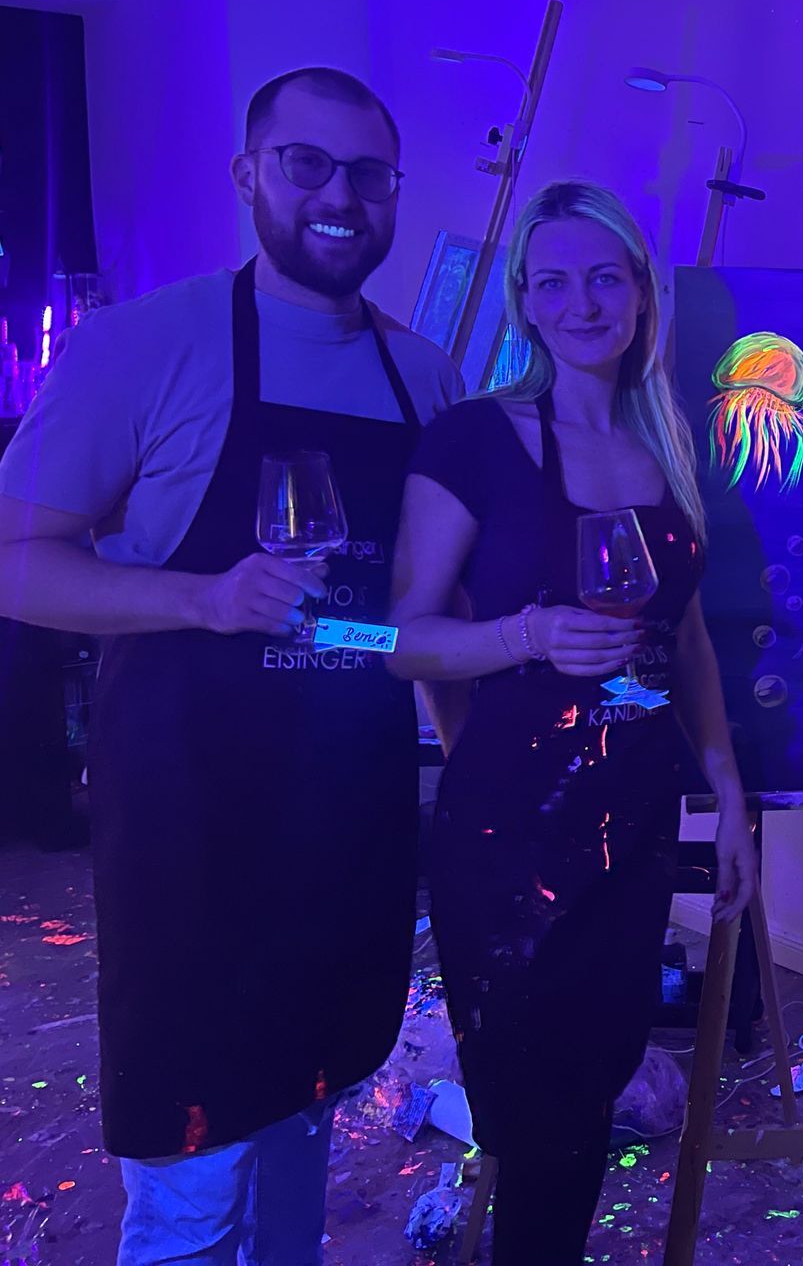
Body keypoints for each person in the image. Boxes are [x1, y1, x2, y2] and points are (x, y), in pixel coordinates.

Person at [0, 66, 461, 1264]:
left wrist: (475, 774)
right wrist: (201, 599)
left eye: (369, 174)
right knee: (194, 1171)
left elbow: (423, 616)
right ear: (250, 174)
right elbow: (14, 560)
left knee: (306, 1116)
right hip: (190, 831)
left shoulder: (426, 378)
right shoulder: (144, 345)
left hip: (347, 825)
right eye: (308, 164)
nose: (340, 196)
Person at [387, 179, 758, 1262]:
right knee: (532, 1116)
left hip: (633, 827)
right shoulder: (473, 439)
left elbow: (687, 642)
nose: (581, 303)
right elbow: (401, 637)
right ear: (525, 302)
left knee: (592, 1093)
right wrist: (529, 633)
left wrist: (726, 790)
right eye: (552, 283)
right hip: (509, 830)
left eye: (603, 278)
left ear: (641, 293)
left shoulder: (667, 443)